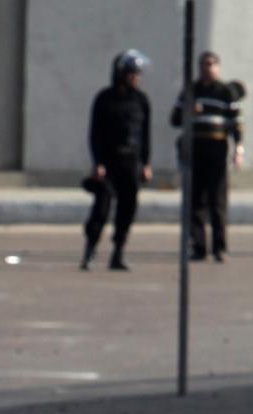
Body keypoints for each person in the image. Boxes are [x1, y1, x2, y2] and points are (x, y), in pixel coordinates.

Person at [170, 50, 245, 262]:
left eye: (212, 64)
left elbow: (236, 123)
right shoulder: (190, 91)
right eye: (204, 64)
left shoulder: (225, 92)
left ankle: (220, 248)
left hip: (217, 148)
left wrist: (238, 148)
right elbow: (174, 119)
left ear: (218, 67)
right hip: (195, 149)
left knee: (217, 201)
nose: (208, 68)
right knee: (195, 200)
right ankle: (199, 247)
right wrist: (188, 112)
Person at [81, 50, 152, 272]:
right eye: (133, 73)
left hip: (131, 162)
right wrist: (98, 162)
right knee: (101, 207)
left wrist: (146, 163)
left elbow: (145, 135)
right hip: (109, 162)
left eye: (138, 73)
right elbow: (94, 133)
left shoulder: (141, 100)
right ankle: (90, 251)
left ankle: (118, 253)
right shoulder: (104, 98)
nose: (136, 77)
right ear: (121, 73)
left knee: (127, 209)